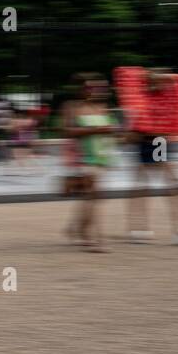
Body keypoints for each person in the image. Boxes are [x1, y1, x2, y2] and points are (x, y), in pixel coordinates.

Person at [113, 66, 178, 246]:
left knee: (172, 186)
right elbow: (130, 130)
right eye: (156, 81)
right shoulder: (140, 100)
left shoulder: (166, 98)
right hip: (147, 141)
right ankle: (139, 230)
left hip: (159, 142)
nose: (161, 84)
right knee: (146, 186)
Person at [62, 75, 118, 251]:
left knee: (90, 197)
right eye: (92, 87)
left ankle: (75, 228)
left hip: (102, 157)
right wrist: (97, 130)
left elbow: (115, 132)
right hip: (83, 158)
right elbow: (68, 131)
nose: (97, 91)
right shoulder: (73, 107)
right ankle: (95, 239)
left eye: (101, 88)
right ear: (83, 90)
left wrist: (116, 131)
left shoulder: (104, 108)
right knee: (95, 196)